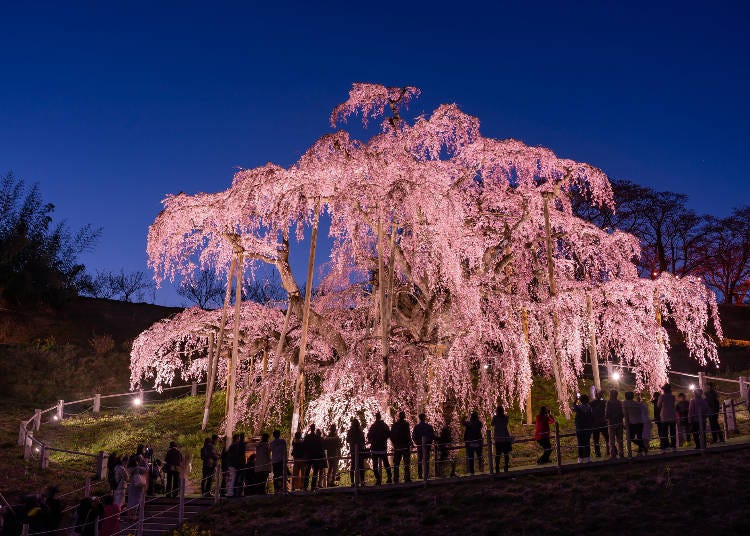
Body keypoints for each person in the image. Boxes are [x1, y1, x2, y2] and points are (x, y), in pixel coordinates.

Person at [367, 412, 393, 485]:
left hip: (375, 448)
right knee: (386, 464)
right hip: (383, 447)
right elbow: (389, 434)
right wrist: (384, 439)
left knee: (375, 465)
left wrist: (372, 440)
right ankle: (389, 478)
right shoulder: (384, 426)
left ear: (376, 417)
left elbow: (369, 436)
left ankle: (378, 479)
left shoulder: (373, 426)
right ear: (380, 417)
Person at [390, 411, 412, 483]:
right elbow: (408, 435)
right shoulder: (406, 424)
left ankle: (396, 478)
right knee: (406, 463)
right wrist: (410, 443)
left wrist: (394, 444)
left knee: (396, 463)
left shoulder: (395, 425)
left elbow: (391, 435)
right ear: (404, 416)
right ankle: (407, 478)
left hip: (397, 447)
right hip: (405, 446)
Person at [412, 413, 435, 479]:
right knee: (427, 459)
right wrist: (429, 442)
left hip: (419, 446)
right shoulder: (429, 427)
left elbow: (413, 437)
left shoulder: (417, 427)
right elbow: (432, 436)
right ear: (424, 418)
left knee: (419, 460)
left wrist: (417, 443)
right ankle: (426, 474)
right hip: (427, 445)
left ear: (419, 418)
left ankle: (420, 475)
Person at [571, 394, 593, 463]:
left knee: (580, 443)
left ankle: (580, 459)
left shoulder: (579, 408)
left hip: (580, 428)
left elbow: (573, 407)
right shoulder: (590, 408)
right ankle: (587, 458)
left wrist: (576, 400)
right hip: (588, 427)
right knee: (587, 443)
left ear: (581, 400)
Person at [303, 424, 325, 491]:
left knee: (307, 471)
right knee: (315, 471)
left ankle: (305, 486)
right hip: (315, 456)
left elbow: (304, 446)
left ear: (310, 428)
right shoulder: (317, 437)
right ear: (314, 428)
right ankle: (313, 486)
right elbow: (320, 447)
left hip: (309, 456)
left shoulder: (307, 437)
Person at [346, 418, 366, 486]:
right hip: (360, 450)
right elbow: (363, 441)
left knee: (353, 466)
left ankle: (352, 482)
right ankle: (362, 481)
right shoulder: (360, 432)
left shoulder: (350, 431)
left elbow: (347, 440)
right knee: (361, 466)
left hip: (353, 451)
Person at [657, 383, 677, 451]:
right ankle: (673, 446)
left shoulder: (661, 397)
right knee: (673, 432)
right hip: (672, 415)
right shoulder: (673, 397)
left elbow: (658, 406)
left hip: (664, 416)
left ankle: (664, 446)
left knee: (664, 432)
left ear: (664, 390)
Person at [605, 389, 624, 458]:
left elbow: (607, 414)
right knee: (620, 439)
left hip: (611, 423)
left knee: (612, 440)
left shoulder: (609, 403)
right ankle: (621, 453)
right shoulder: (619, 403)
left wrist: (608, 417)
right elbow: (622, 414)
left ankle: (613, 454)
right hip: (619, 422)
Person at [590, 391, 608, 457]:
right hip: (601, 423)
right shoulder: (603, 402)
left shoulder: (594, 403)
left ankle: (599, 453)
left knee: (597, 439)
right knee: (606, 438)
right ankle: (607, 451)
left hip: (597, 423)